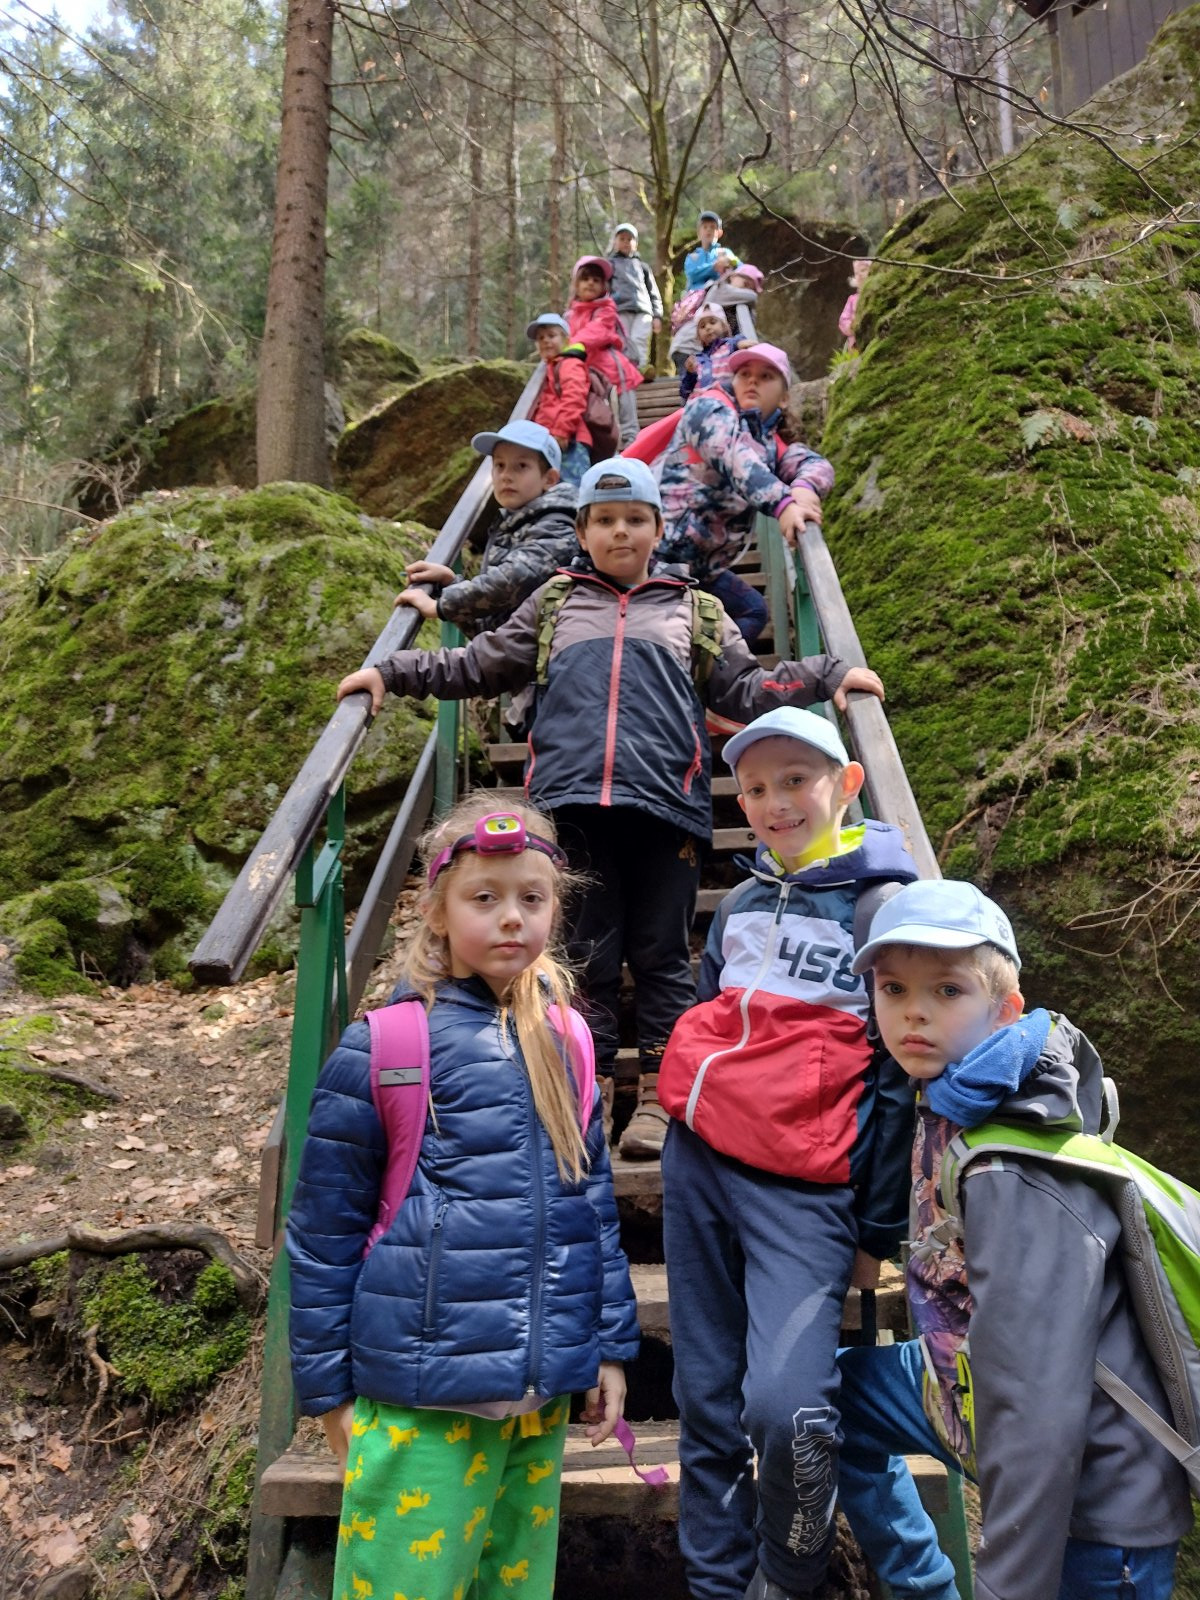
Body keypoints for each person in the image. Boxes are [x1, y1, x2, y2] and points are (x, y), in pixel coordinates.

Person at [335, 457, 885, 1157]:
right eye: (603, 520)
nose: (619, 531)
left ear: (657, 528)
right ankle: (584, 1091)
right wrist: (391, 672)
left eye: (633, 519)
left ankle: (658, 1099)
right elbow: (478, 663)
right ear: (582, 532)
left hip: (665, 807)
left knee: (661, 956)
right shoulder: (554, 603)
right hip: (571, 807)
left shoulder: (696, 609)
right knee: (582, 957)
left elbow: (745, 689)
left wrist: (827, 673)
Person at [287, 792, 639, 1600]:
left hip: (537, 1406)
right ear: (438, 911)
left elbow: (592, 1212)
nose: (512, 916)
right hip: (420, 1405)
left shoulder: (569, 1040)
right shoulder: (383, 1046)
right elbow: (323, 1236)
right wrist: (328, 1395)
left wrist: (608, 1348)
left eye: (532, 898)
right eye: (485, 898)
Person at [836, 880, 1192, 1600]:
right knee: (827, 1398)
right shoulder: (953, 1100)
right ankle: (923, 1584)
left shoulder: (1010, 1171)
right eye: (894, 988)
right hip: (971, 1389)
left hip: (1097, 1506)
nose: (915, 1011)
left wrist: (1006, 1584)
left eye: (948, 990)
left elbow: (1037, 1406)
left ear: (1006, 1009)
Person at [656, 706, 919, 1600]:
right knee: (705, 1396)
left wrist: (876, 1231)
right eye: (757, 788)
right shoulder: (736, 905)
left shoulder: (881, 909)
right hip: (700, 1165)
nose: (775, 802)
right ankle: (715, 1583)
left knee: (787, 1407)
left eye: (796, 780)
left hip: (806, 1192)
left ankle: (790, 1571)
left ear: (847, 785)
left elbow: (896, 1080)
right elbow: (708, 1008)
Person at [658, 342, 833, 646]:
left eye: (766, 376)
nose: (752, 381)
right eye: (744, 373)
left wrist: (804, 488)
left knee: (753, 611)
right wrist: (783, 503)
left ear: (784, 398)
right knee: (669, 634)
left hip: (702, 571)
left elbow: (816, 465)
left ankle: (703, 671)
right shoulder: (706, 409)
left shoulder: (768, 442)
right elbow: (733, 457)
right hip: (659, 560)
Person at [394, 420, 578, 635]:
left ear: (549, 479)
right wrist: (451, 583)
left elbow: (514, 579)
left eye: (521, 466)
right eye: (499, 465)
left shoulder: (556, 525)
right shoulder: (513, 522)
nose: (506, 475)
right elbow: (489, 625)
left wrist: (441, 606)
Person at [565, 255, 643, 451]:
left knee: (624, 413)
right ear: (576, 284)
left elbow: (597, 331)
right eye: (585, 279)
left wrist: (571, 347)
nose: (591, 283)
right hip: (583, 373)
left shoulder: (607, 310)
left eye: (596, 280)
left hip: (614, 371)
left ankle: (633, 447)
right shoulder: (569, 315)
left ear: (603, 287)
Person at [527, 314, 592, 485]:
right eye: (541, 338)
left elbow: (574, 398)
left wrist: (562, 432)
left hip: (569, 440)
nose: (546, 341)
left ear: (566, 339)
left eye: (551, 335)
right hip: (549, 439)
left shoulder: (570, 364)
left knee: (571, 489)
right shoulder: (549, 369)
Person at [607, 223, 663, 368]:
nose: (626, 242)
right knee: (623, 342)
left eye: (629, 239)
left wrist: (657, 315)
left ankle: (640, 370)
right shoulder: (610, 265)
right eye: (622, 239)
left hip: (643, 310)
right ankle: (624, 371)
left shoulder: (643, 267)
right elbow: (605, 290)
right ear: (615, 242)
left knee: (639, 340)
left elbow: (653, 293)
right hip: (620, 309)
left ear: (636, 244)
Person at [679, 303, 749, 402]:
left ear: (724, 326)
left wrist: (739, 343)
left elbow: (738, 340)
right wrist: (690, 373)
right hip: (698, 405)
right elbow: (685, 392)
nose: (708, 327)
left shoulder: (730, 346)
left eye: (712, 322)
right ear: (698, 335)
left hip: (724, 402)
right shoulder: (697, 359)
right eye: (702, 326)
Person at [684, 209, 726, 291]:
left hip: (719, 294)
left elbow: (739, 268)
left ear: (719, 233)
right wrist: (714, 267)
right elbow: (692, 275)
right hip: (697, 295)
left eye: (712, 227)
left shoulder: (725, 253)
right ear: (699, 233)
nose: (708, 230)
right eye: (705, 227)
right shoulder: (693, 257)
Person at [838, 257, 870, 351]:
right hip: (855, 346)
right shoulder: (852, 299)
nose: (859, 275)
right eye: (856, 273)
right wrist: (852, 326)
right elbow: (843, 320)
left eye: (863, 270)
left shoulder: (877, 295)